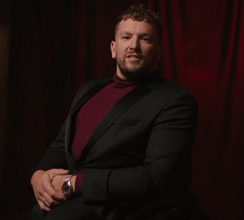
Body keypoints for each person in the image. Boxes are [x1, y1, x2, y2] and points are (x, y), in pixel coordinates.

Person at [30, 5, 199, 220]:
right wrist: (38, 176)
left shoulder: (175, 102)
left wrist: (74, 184)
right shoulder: (89, 90)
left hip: (119, 207)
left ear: (158, 52)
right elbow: (60, 145)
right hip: (68, 200)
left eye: (145, 39)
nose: (134, 46)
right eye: (126, 37)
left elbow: (154, 177)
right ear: (113, 48)